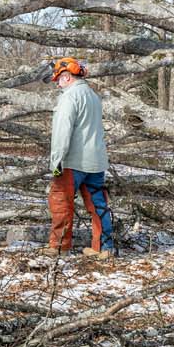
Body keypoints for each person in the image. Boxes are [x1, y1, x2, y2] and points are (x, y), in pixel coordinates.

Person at [44, 57, 115, 260]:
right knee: (98, 205)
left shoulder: (69, 97)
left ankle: (59, 247)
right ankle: (104, 248)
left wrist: (57, 160)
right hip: (96, 161)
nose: (57, 84)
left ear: (66, 77)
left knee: (61, 202)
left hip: (72, 161)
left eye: (58, 79)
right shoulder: (93, 96)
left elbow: (62, 131)